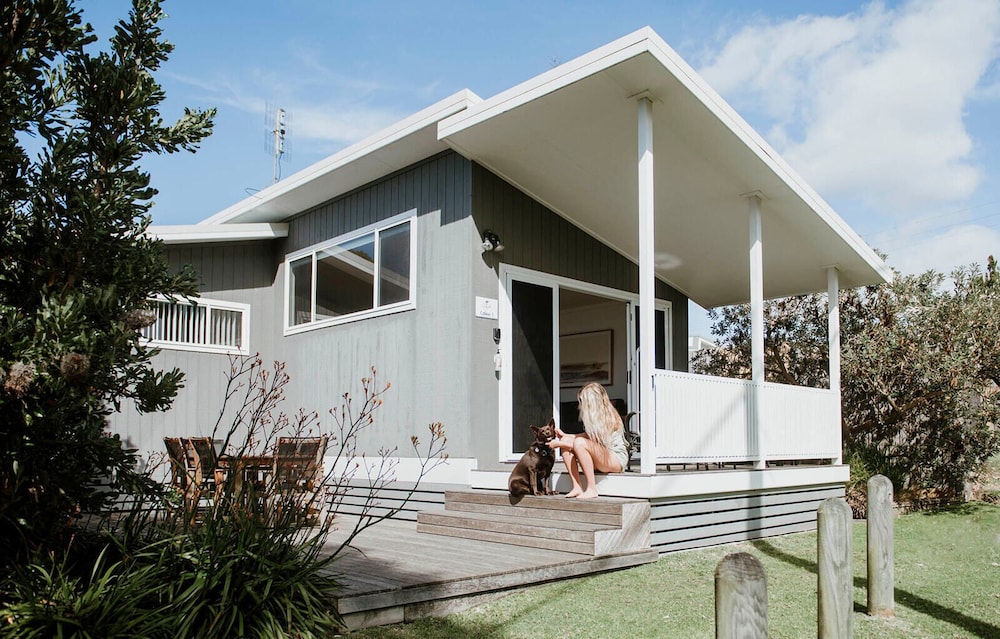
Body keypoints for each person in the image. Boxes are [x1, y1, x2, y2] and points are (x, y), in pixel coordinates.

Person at [548, 382, 628, 498]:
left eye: (582, 402)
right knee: (568, 441)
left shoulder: (609, 417)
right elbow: (588, 436)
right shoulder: (596, 418)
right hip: (602, 457)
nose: (580, 405)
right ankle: (577, 487)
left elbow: (589, 443)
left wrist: (559, 443)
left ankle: (592, 488)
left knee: (576, 443)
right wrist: (566, 436)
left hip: (616, 459)